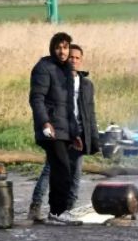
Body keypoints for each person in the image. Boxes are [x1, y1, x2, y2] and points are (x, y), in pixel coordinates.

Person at [29, 44, 99, 221]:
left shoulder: (87, 85)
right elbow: (44, 101)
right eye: (71, 57)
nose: (74, 61)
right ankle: (36, 206)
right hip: (60, 130)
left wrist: (93, 137)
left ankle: (69, 208)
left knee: (76, 171)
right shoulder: (57, 79)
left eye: (77, 58)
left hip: (79, 131)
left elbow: (90, 112)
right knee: (52, 168)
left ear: (81, 60)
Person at [28, 32, 80, 225]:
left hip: (65, 129)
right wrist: (44, 122)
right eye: (59, 47)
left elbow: (69, 106)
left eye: (65, 47)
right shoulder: (43, 68)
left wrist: (74, 133)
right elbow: (36, 98)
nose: (62, 51)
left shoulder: (67, 70)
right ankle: (58, 212)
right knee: (62, 169)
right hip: (50, 129)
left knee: (62, 169)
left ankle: (58, 211)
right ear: (53, 48)